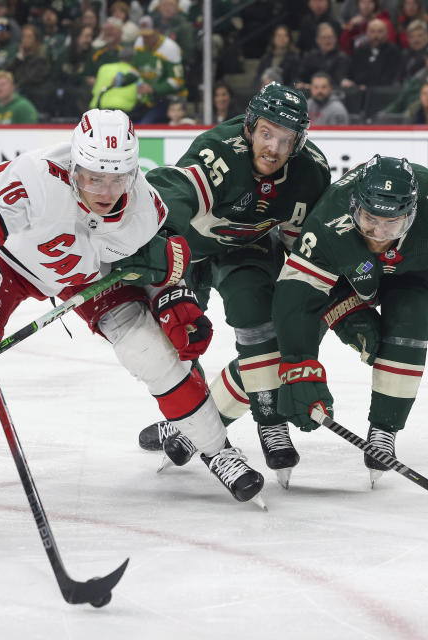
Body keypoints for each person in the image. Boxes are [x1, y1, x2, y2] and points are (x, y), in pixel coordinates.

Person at [0, 109, 267, 516]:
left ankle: (217, 450)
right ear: (74, 165)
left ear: (134, 171)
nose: (104, 190)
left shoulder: (146, 209)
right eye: (92, 176)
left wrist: (170, 298)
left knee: (150, 351)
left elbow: (152, 269)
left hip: (91, 277)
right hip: (12, 265)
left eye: (117, 177)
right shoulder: (35, 174)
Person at [271, 154, 428, 485]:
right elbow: (296, 296)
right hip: (346, 278)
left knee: (410, 323)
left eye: (392, 224)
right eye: (369, 219)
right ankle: (219, 422)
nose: (378, 233)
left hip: (417, 271)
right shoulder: (329, 220)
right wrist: (298, 364)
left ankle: (383, 431)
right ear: (353, 206)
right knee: (272, 343)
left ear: (412, 214)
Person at [136, 83, 332, 488]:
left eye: (285, 139)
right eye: (266, 133)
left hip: (248, 249)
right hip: (186, 251)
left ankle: (271, 421)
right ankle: (192, 424)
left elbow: (303, 250)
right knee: (177, 342)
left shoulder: (310, 173)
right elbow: (176, 190)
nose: (274, 148)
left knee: (258, 319)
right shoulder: (220, 150)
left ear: (299, 141)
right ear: (249, 127)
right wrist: (155, 239)